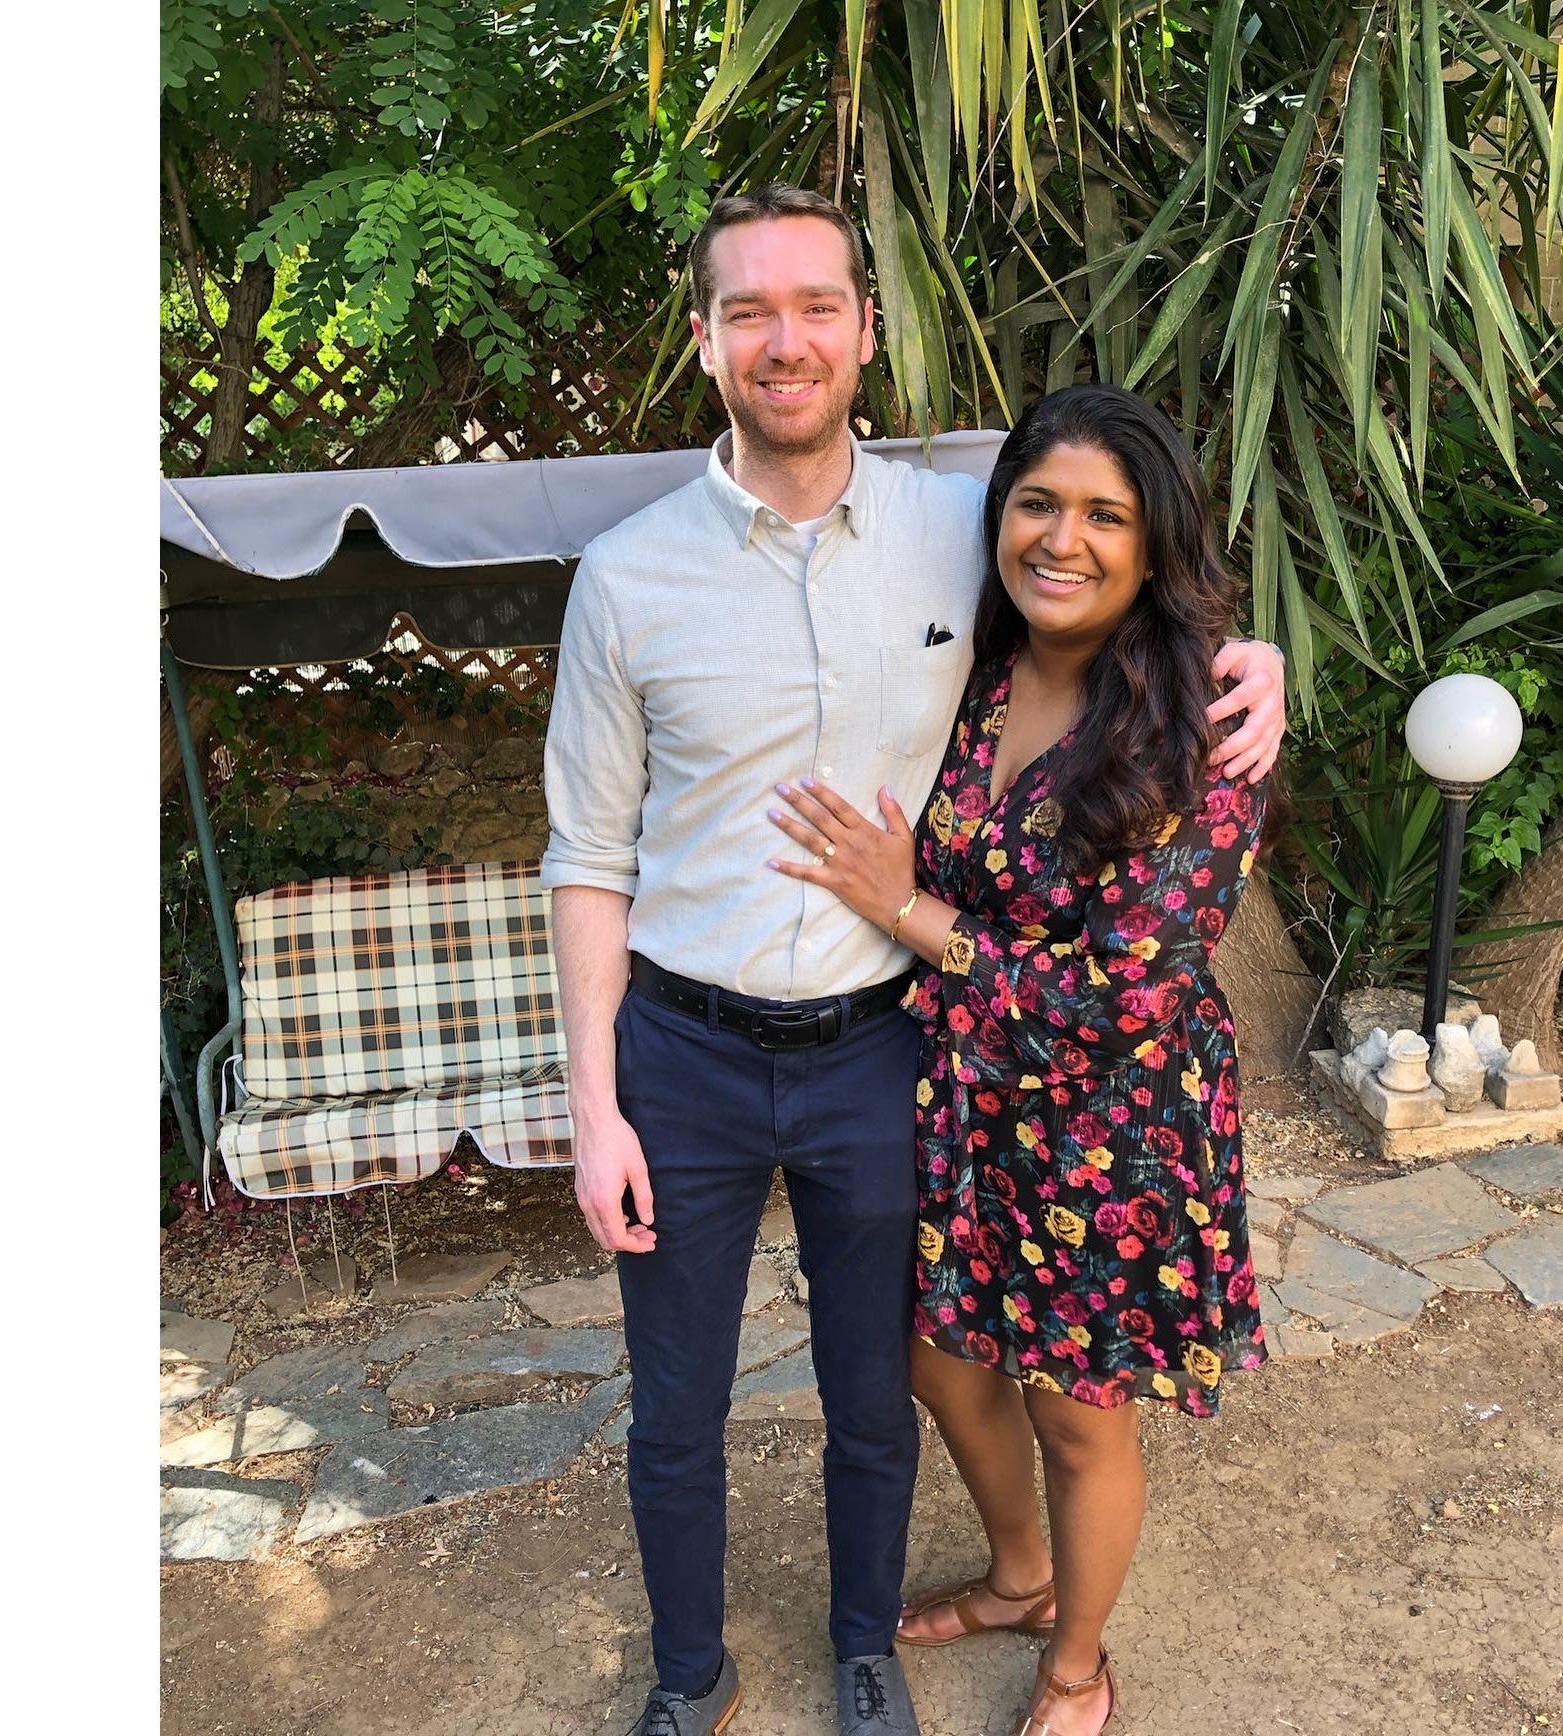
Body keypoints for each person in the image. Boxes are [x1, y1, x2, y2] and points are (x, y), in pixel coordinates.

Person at [540, 186, 1285, 1736]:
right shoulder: (632, 577)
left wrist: (1255, 655)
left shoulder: (961, 531)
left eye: (818, 305)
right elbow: (590, 857)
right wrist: (594, 1105)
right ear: (704, 339)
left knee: (886, 1389)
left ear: (866, 331)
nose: (787, 340)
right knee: (714, 1400)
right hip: (713, 1055)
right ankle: (696, 1676)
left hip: (922, 1060)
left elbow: (1129, 563)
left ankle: (893, 1652)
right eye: (750, 310)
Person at [767, 383, 1271, 1736]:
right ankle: (1023, 1576)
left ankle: (1078, 1666)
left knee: (1078, 1416)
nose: (1064, 539)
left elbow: (1123, 996)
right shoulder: (974, 667)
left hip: (1112, 1126)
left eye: (1107, 516)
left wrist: (909, 913)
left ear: (1157, 547)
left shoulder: (1200, 730)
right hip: (961, 1100)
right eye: (1039, 504)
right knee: (939, 1360)